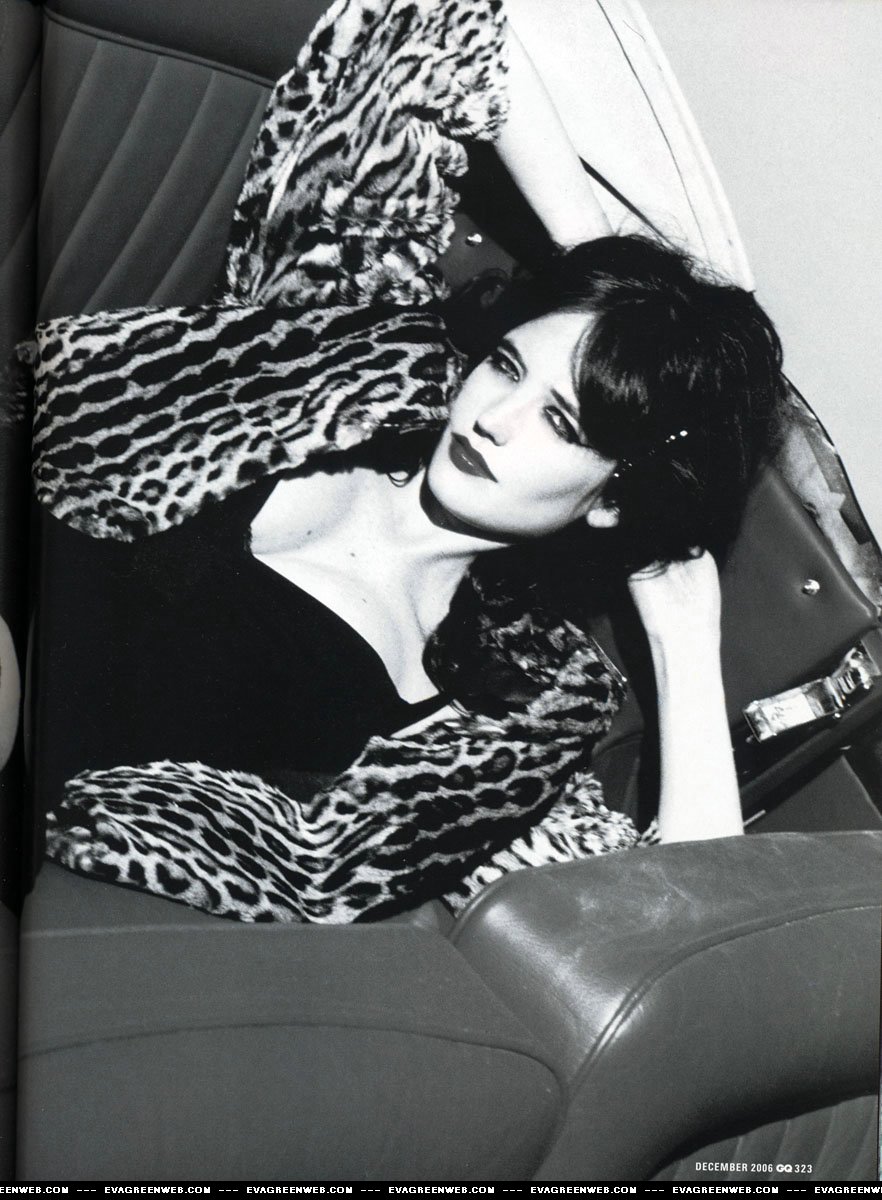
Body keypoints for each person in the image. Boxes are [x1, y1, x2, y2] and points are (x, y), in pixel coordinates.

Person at [28, 0, 785, 923]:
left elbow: (685, 919)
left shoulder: (505, 711)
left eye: (560, 421)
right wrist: (601, 273)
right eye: (507, 365)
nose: (494, 418)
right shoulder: (348, 352)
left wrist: (682, 641)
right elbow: (430, 20)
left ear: (613, 499)